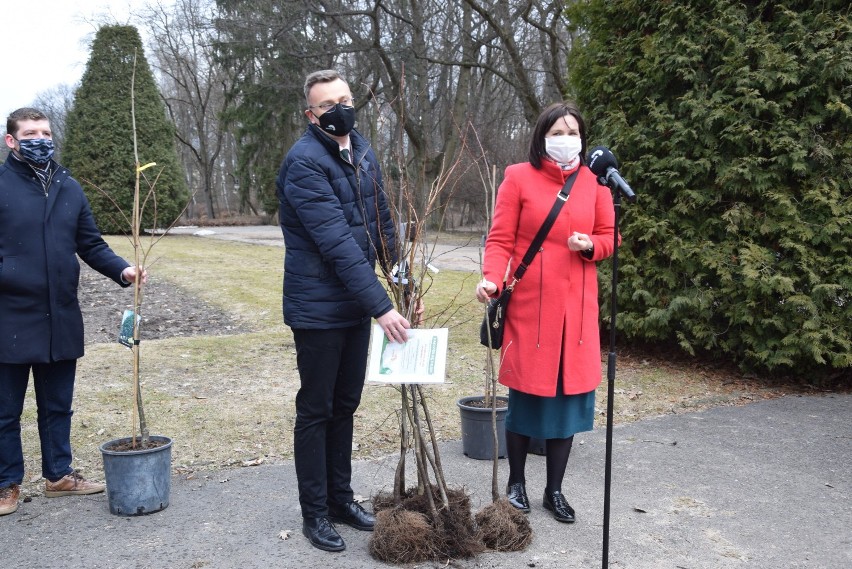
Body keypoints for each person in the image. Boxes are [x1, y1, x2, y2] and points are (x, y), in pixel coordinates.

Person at [276, 70, 416, 552]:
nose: (341, 108)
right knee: (316, 410)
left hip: (356, 305)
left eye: (346, 99)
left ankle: (341, 499)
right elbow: (335, 242)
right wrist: (381, 308)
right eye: (329, 103)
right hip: (318, 308)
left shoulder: (362, 150)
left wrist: (401, 280)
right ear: (311, 115)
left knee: (346, 405)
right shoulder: (304, 163)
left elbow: (381, 221)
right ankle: (315, 512)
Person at [0, 107, 147, 516]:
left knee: (57, 404)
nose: (41, 139)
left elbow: (91, 244)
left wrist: (123, 269)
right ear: (11, 140)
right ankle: (5, 484)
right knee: (4, 410)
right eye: (30, 133)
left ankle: (59, 476)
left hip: (60, 315)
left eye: (46, 132)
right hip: (8, 315)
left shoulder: (68, 186)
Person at [475, 102, 618, 524]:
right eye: (557, 131)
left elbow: (610, 236)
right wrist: (490, 280)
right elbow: (500, 239)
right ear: (542, 136)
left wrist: (590, 246)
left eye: (573, 131)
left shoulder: (596, 182)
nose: (566, 138)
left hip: (576, 316)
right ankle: (516, 483)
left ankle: (554, 489)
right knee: (525, 398)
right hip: (529, 311)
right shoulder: (518, 177)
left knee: (568, 404)